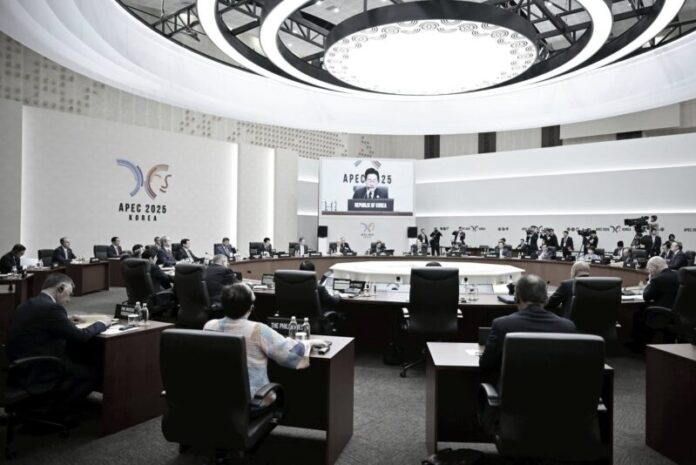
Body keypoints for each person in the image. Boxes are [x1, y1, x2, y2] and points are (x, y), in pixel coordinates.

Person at [7, 273, 110, 421]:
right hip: (40, 368)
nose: (69, 300)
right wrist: (102, 323)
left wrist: (65, 320)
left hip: (18, 366)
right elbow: (80, 336)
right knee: (91, 374)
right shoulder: (52, 308)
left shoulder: (27, 304)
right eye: (69, 294)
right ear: (60, 288)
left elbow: (39, 323)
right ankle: (55, 413)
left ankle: (43, 404)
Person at [203, 284, 326, 406]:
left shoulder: (209, 326)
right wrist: (308, 343)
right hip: (254, 400)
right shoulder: (258, 330)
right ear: (250, 308)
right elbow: (289, 354)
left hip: (216, 399)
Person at [479, 274, 577, 372]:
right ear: (546, 300)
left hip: (514, 382)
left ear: (516, 298)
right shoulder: (568, 328)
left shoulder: (501, 325)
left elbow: (485, 364)